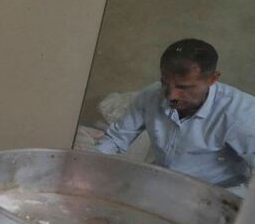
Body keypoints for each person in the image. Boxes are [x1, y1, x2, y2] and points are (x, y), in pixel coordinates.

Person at [95, 38, 255, 195]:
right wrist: (89, 167)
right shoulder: (151, 95)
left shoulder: (242, 114)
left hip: (215, 198)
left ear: (212, 79)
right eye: (165, 83)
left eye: (183, 87)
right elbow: (115, 139)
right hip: (160, 186)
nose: (171, 96)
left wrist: (213, 201)